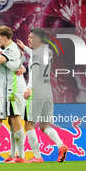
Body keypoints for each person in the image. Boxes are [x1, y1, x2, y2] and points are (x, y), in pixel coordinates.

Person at [17, 28, 69, 163]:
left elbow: (34, 72)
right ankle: (61, 145)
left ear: (39, 39)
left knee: (29, 124)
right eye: (28, 38)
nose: (28, 40)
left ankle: (37, 156)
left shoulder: (36, 55)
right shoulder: (48, 51)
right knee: (45, 126)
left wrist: (29, 88)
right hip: (48, 93)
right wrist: (26, 49)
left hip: (36, 92)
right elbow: (36, 56)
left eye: (31, 38)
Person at [0, 26, 27, 163]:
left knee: (14, 121)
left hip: (11, 91)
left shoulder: (9, 49)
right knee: (0, 121)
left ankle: (18, 155)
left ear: (3, 37)